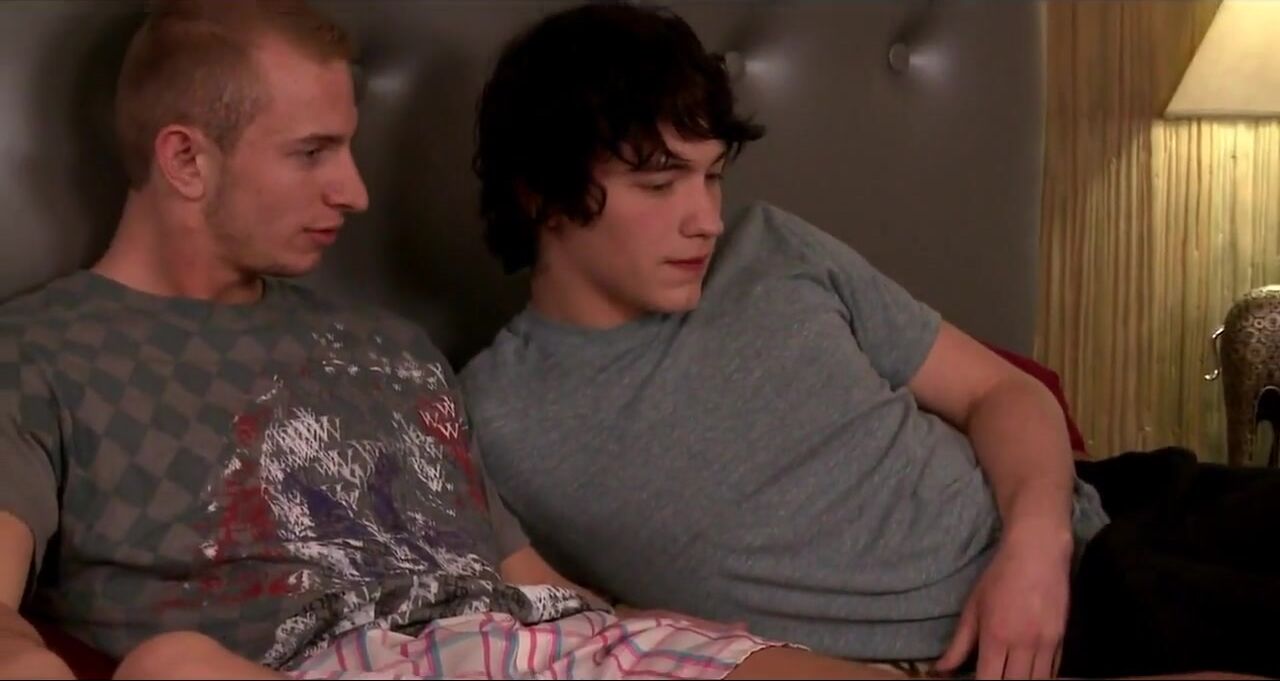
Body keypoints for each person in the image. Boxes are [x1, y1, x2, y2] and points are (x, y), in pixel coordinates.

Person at [0, 2, 901, 679]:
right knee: (172, 668)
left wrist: (660, 632)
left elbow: (531, 581)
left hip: (534, 643)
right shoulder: (42, 350)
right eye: (312, 152)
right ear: (186, 159)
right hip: (308, 662)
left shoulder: (393, 346)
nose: (354, 192)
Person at [460, 3, 1280, 679]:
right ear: (541, 193)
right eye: (658, 183)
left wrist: (1035, 546)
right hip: (1032, 638)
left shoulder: (770, 248)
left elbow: (1001, 391)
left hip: (1092, 515)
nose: (705, 219)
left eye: (711, 175)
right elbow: (574, 632)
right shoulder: (492, 421)